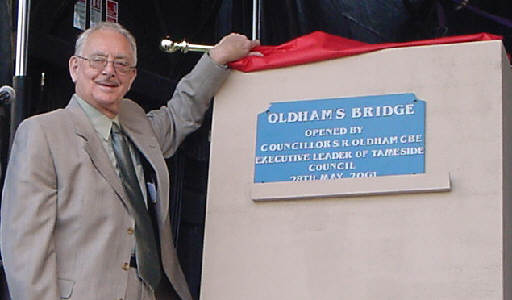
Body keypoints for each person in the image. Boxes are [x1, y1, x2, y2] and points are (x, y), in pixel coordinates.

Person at [0, 22, 259, 300]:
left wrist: (215, 60)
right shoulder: (43, 133)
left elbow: (178, 116)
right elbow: (24, 249)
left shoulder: (135, 123)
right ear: (75, 67)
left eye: (121, 64)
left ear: (133, 77)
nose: (109, 71)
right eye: (97, 60)